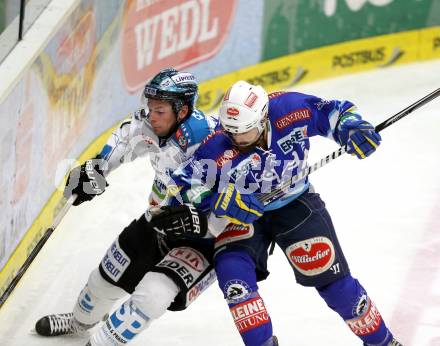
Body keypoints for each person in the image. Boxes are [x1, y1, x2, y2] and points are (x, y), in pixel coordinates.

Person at [166, 80, 403, 346]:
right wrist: (217, 199)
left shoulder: (290, 108)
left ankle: (384, 342)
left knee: (337, 287)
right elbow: (178, 190)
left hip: (295, 205)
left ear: (264, 117)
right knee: (234, 280)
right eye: (230, 132)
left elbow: (333, 113)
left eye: (245, 132)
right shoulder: (218, 145)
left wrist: (350, 128)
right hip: (243, 217)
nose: (237, 139)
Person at [35, 68, 220, 346]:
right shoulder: (149, 124)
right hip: (158, 219)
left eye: (160, 111)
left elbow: (237, 191)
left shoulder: (210, 140)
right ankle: (78, 323)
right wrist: (96, 170)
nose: (151, 116)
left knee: (150, 298)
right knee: (102, 281)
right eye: (150, 107)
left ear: (181, 111)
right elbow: (123, 141)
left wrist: (209, 222)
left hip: (200, 238)